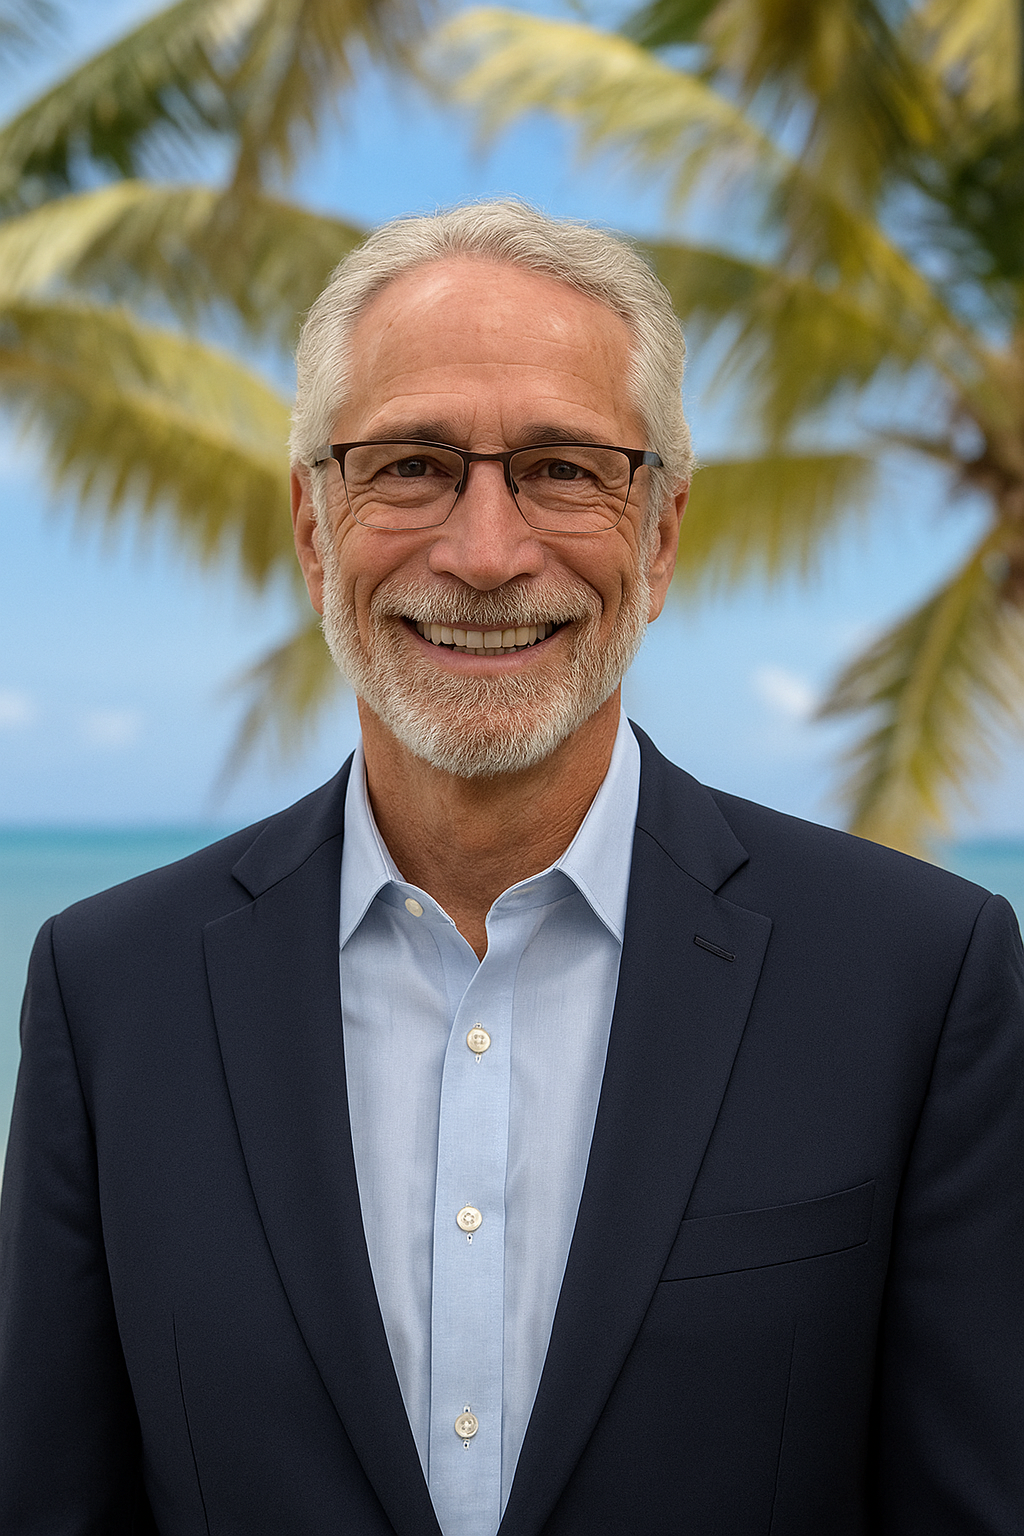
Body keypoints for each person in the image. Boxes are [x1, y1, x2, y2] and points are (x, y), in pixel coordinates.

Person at [0, 200, 1021, 1536]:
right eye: (412, 465)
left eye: (562, 469)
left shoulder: (917, 981)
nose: (485, 553)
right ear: (314, 529)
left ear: (660, 537)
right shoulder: (109, 994)